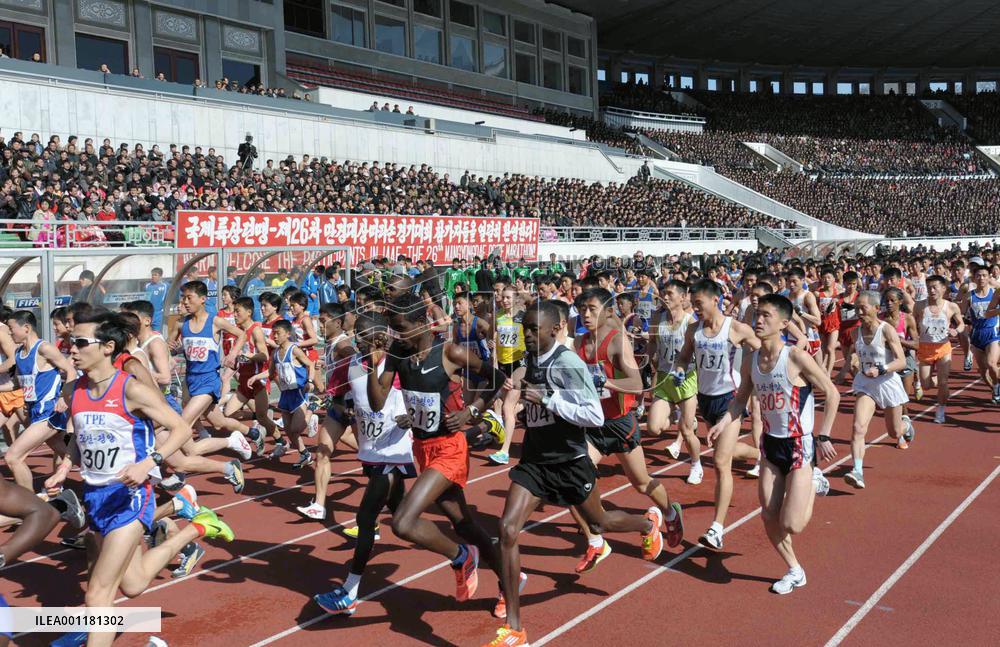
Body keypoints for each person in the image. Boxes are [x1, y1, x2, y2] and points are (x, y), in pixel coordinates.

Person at [43, 312, 235, 647]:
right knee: (132, 585)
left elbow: (180, 428)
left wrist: (150, 462)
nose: (72, 349)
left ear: (108, 347)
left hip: (130, 496)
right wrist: (63, 468)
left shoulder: (131, 389)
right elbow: (82, 437)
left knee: (98, 594)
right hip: (95, 496)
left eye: (80, 343)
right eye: (71, 342)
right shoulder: (75, 390)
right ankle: (197, 527)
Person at [485, 302, 662, 647]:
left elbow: (594, 416)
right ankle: (515, 628)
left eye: (535, 329)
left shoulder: (569, 363)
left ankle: (646, 524)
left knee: (600, 523)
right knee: (507, 529)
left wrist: (548, 400)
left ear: (556, 329)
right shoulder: (531, 360)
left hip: (569, 462)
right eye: (526, 329)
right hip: (535, 464)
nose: (528, 335)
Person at [368, 292, 507, 611]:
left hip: (450, 448)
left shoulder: (449, 352)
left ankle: (461, 557)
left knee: (402, 522)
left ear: (422, 323)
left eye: (401, 328)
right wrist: (378, 360)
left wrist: (473, 412)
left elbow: (496, 377)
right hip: (423, 448)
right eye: (392, 328)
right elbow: (377, 402)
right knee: (464, 524)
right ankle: (507, 580)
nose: (396, 335)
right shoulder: (398, 354)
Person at [710, 294, 839, 595]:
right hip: (770, 446)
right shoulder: (752, 359)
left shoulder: (795, 357)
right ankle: (795, 570)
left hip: (798, 446)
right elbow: (741, 398)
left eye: (767, 315)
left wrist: (825, 435)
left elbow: (832, 394)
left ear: (784, 323)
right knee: (768, 516)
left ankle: (815, 481)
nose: (759, 319)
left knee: (792, 524)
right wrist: (723, 421)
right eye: (757, 313)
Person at [570, 287, 683, 572]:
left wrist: (607, 384)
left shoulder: (616, 341)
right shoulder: (579, 343)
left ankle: (669, 512)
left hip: (619, 423)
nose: (586, 314)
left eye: (592, 309)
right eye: (582, 309)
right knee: (571, 479)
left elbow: (637, 384)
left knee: (641, 483)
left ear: (607, 311)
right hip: (592, 424)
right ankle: (595, 540)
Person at [313, 312, 414, 615]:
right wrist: (343, 409)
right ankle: (463, 551)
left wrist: (411, 415)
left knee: (365, 518)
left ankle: (349, 592)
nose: (358, 340)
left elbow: (422, 394)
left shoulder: (396, 366)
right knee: (404, 520)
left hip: (394, 454)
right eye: (356, 334)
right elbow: (340, 397)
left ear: (380, 337)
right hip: (370, 453)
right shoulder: (352, 364)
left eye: (364, 335)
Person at [670, 280, 761, 550]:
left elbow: (765, 351)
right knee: (728, 451)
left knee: (721, 462)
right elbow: (684, 357)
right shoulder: (693, 330)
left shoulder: (735, 328)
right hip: (706, 400)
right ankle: (761, 454)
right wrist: (679, 369)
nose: (694, 308)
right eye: (692, 303)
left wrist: (758, 379)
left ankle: (717, 529)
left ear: (715, 300)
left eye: (698, 303)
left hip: (730, 400)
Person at [166, 281, 257, 491]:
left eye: (189, 298)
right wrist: (175, 349)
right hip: (191, 380)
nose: (185, 302)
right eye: (183, 299)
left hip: (209, 380)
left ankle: (180, 473)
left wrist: (233, 354)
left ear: (202, 299)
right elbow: (170, 349)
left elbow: (242, 334)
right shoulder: (181, 324)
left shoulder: (215, 322)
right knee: (218, 422)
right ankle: (241, 437)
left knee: (181, 425)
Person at [844, 291, 915, 490]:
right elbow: (854, 356)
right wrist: (854, 362)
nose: (858, 312)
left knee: (893, 432)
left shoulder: (886, 330)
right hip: (865, 384)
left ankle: (906, 426)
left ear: (876, 308)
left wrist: (882, 368)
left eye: (863, 308)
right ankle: (857, 470)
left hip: (887, 382)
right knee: (858, 427)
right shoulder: (855, 332)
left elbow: (901, 361)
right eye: (856, 308)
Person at [5, 310, 76, 490]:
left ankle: (30, 508)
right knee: (67, 452)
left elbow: (71, 371)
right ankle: (107, 475)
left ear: (26, 328)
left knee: (13, 457)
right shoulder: (20, 353)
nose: (9, 333)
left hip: (49, 412)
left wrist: (63, 398)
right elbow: (16, 384)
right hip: (35, 412)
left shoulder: (44, 349)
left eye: (11, 328)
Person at [647, 280, 702, 484]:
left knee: (687, 432)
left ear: (682, 297)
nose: (665, 297)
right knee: (653, 428)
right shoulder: (657, 317)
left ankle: (696, 464)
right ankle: (683, 417)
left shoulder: (691, 322)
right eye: (663, 293)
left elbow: (697, 351)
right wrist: (650, 359)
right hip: (663, 378)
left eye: (670, 293)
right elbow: (652, 342)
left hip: (685, 380)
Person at [250, 319, 316, 469]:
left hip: (298, 392)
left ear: (287, 334)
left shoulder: (294, 350)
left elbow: (310, 364)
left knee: (296, 429)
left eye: (277, 333)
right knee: (289, 432)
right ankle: (305, 454)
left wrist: (310, 381)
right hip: (285, 395)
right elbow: (270, 372)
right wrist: (256, 377)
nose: (274, 336)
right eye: (273, 333)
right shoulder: (275, 353)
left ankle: (311, 408)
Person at [914, 275, 964, 423]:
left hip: (943, 348)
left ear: (943, 288)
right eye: (929, 287)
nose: (932, 290)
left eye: (935, 287)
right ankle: (936, 380)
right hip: (925, 348)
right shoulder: (919, 305)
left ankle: (940, 410)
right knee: (926, 385)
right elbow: (913, 323)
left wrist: (956, 331)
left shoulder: (951, 306)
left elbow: (961, 324)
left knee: (943, 383)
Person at [964, 264, 1000, 403]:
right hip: (976, 335)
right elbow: (960, 315)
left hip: (992, 333)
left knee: (991, 364)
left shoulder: (995, 293)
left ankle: (996, 387)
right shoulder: (969, 296)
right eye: (978, 275)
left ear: (989, 277)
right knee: (983, 372)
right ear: (974, 278)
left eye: (984, 275)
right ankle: (994, 387)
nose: (981, 278)